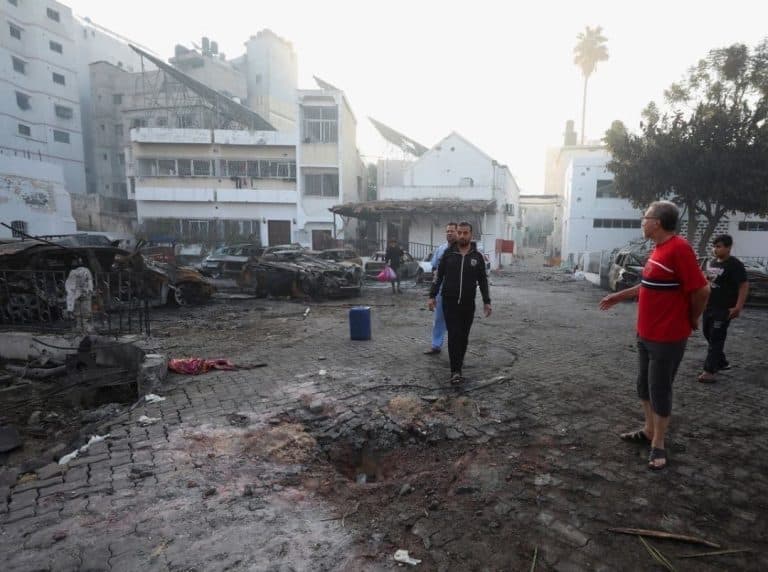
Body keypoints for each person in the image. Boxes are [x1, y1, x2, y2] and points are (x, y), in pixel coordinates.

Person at [599, 201, 709, 470]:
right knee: (643, 386)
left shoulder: (679, 249)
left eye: (645, 217)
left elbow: (702, 290)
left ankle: (658, 444)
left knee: (660, 389)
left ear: (657, 222)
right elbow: (647, 284)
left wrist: (692, 317)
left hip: (667, 337)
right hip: (646, 333)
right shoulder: (658, 250)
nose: (642, 221)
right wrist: (618, 296)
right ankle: (648, 430)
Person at [428, 222, 491, 384]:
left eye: (465, 233)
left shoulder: (477, 257)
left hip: (468, 305)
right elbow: (438, 276)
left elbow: (483, 280)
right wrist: (432, 295)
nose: (462, 236)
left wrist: (486, 301)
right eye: (460, 233)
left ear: (471, 235)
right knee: (454, 335)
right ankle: (455, 371)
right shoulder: (448, 255)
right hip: (449, 303)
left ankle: (458, 364)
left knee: (463, 337)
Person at [697, 234, 749, 383]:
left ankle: (709, 371)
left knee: (717, 338)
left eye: (719, 247)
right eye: (714, 246)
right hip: (709, 306)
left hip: (724, 308)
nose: (715, 249)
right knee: (708, 334)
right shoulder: (712, 262)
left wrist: (738, 306)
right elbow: (708, 282)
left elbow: (744, 285)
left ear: (728, 247)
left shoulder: (735, 265)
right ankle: (722, 362)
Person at [424, 222, 458, 355]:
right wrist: (432, 293)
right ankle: (436, 345)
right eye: (447, 231)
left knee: (455, 320)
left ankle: (455, 348)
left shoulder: (461, 250)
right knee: (439, 318)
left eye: (452, 231)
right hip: (441, 290)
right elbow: (434, 268)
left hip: (456, 291)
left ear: (457, 232)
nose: (449, 233)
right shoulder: (441, 249)